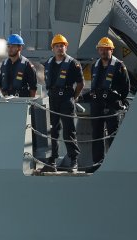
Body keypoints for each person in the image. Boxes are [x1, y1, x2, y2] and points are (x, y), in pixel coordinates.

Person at [84, 37, 130, 172]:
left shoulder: (119, 66)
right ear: (98, 50)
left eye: (106, 49)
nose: (103, 52)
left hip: (112, 105)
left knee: (112, 134)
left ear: (112, 50)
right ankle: (97, 164)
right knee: (96, 135)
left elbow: (125, 87)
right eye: (101, 49)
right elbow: (94, 87)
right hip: (97, 105)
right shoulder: (95, 65)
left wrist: (118, 100)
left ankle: (114, 165)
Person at [43, 34, 83, 172]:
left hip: (66, 99)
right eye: (57, 46)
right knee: (53, 130)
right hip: (53, 98)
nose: (60, 48)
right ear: (53, 48)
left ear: (66, 47)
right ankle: (53, 159)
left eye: (62, 45)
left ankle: (73, 159)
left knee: (68, 131)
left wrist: (74, 97)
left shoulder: (73, 63)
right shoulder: (49, 63)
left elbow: (80, 83)